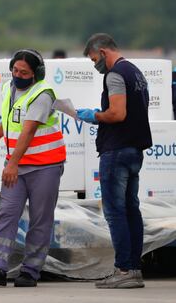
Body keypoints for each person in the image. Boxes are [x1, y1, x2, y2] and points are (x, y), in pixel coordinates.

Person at [0, 49, 66, 287]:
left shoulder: (43, 94)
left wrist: (12, 163)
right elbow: (9, 117)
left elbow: (28, 130)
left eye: (24, 72)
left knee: (40, 219)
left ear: (36, 74)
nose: (18, 75)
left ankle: (31, 271)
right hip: (17, 165)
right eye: (15, 70)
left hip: (44, 166)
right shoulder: (9, 88)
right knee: (7, 213)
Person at [76, 33, 152, 289]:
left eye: (95, 59)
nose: (95, 65)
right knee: (131, 210)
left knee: (115, 212)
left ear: (104, 52)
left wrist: (94, 116)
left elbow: (118, 113)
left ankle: (123, 269)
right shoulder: (136, 72)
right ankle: (134, 269)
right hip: (134, 149)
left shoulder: (115, 74)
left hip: (117, 150)